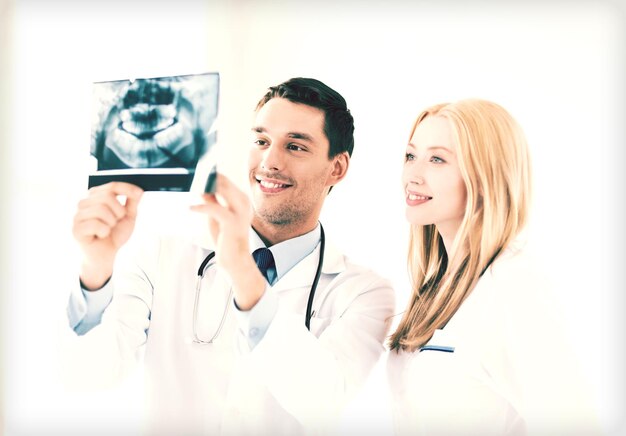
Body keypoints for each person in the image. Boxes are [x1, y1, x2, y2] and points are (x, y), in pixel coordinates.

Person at [64, 77, 395, 436]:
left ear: (337, 168)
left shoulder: (365, 292)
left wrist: (243, 273)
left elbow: (323, 401)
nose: (269, 161)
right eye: (261, 141)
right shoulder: (163, 252)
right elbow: (88, 374)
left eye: (295, 146)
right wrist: (95, 268)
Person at [386, 99, 600, 435]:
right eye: (411, 156)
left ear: (485, 177)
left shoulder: (514, 284)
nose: (412, 175)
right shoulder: (437, 284)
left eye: (437, 159)